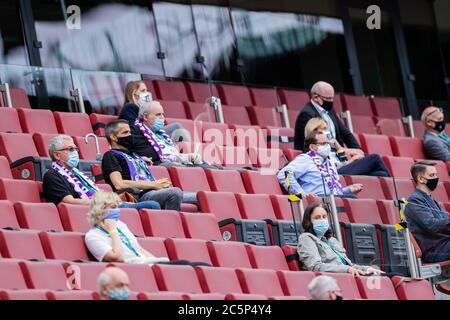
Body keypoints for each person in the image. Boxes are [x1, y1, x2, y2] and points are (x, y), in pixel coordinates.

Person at [85, 191, 211, 268]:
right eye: (113, 207)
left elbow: (139, 249)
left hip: (147, 263)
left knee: (201, 267)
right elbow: (117, 258)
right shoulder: (93, 236)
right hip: (133, 269)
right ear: (100, 210)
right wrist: (112, 231)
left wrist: (157, 262)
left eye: (117, 207)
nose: (117, 211)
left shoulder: (121, 225)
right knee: (187, 267)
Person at [42, 135, 160, 210]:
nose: (75, 152)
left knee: (153, 204)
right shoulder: (52, 175)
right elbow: (68, 202)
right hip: (93, 211)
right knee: (152, 205)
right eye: (70, 149)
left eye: (76, 149)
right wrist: (103, 203)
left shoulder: (77, 173)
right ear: (57, 155)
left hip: (104, 208)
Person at [102, 119, 198, 211]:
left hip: (150, 191)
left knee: (200, 197)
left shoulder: (133, 155)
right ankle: (171, 224)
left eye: (130, 132)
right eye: (125, 133)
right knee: (174, 193)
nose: (130, 135)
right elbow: (119, 184)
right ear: (113, 137)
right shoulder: (110, 156)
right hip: (137, 195)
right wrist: (153, 184)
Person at [297, 202, 384, 275]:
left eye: (324, 217)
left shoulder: (332, 240)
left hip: (346, 276)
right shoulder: (306, 238)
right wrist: (346, 270)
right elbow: (315, 267)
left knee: (379, 275)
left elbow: (348, 265)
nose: (322, 220)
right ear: (309, 221)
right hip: (332, 280)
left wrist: (365, 269)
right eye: (317, 217)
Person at [130, 101, 219, 168]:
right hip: (163, 167)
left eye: (163, 114)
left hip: (176, 163)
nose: (162, 118)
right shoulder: (135, 131)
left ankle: (215, 168)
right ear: (145, 117)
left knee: (206, 164)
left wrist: (185, 156)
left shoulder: (159, 133)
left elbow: (171, 153)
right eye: (158, 114)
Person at [277, 130, 363, 198]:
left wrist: (348, 190)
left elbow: (332, 191)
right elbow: (284, 174)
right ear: (312, 147)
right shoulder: (306, 159)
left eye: (328, 143)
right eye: (323, 143)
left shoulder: (329, 163)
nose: (328, 146)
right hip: (317, 202)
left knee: (352, 197)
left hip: (332, 199)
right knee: (352, 198)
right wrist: (301, 194)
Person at [294, 81, 363, 159]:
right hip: (325, 159)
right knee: (374, 159)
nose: (330, 101)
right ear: (316, 97)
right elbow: (314, 145)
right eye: (328, 98)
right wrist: (347, 151)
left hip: (339, 156)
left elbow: (345, 133)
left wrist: (357, 150)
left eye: (332, 98)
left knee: (372, 165)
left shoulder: (329, 110)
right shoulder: (306, 114)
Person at [304, 117, 390, 177]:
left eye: (327, 129)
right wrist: (351, 161)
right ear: (314, 131)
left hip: (342, 171)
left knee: (381, 174)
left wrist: (338, 147)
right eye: (324, 129)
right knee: (375, 158)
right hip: (334, 175)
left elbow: (342, 160)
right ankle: (400, 199)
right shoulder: (313, 147)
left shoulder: (328, 146)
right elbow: (324, 167)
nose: (327, 132)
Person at [404, 161, 450, 263]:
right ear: (420, 179)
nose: (436, 178)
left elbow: (445, 224)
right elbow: (431, 225)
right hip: (435, 250)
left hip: (444, 245)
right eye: (432, 175)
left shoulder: (432, 200)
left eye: (436, 175)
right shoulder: (414, 200)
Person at [118, 80, 183, 139]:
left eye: (146, 90)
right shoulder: (129, 108)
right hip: (142, 138)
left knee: (176, 130)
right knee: (176, 126)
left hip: (149, 136)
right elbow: (134, 129)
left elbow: (161, 124)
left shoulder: (143, 109)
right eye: (143, 91)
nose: (147, 93)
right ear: (134, 94)